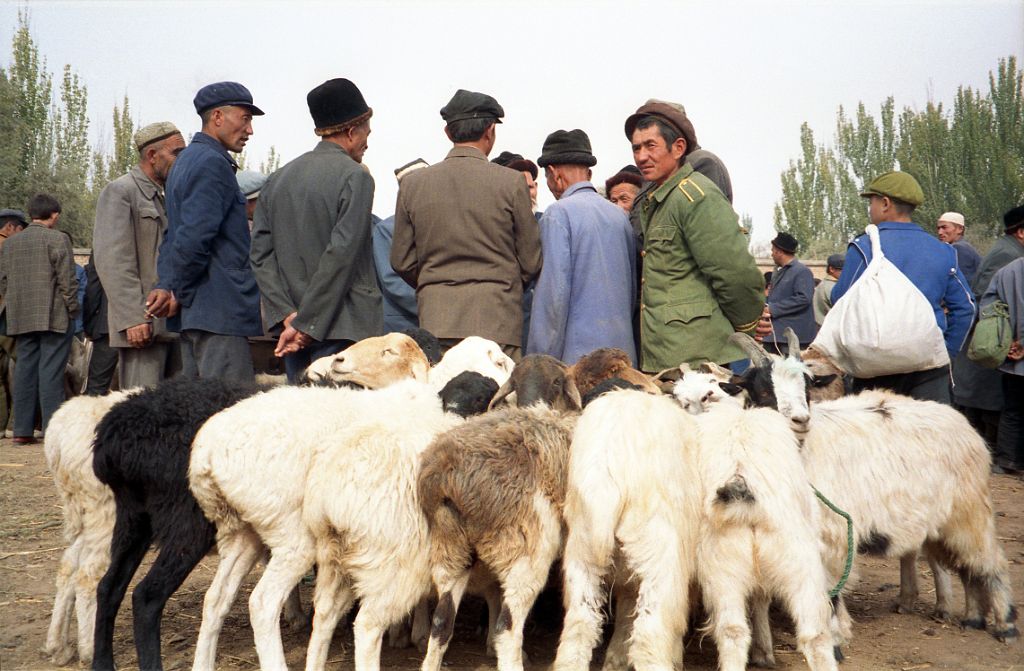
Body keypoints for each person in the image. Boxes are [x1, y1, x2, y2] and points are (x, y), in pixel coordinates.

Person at [391, 89, 542, 360]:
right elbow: (531, 260)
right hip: (498, 320)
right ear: (490, 131)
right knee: (498, 401)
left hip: (437, 320)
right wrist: (500, 283)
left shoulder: (413, 185)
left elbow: (401, 260)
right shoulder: (511, 183)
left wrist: (435, 283)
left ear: (448, 133)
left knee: (440, 401)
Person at [251, 78, 382, 382]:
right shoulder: (356, 177)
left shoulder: (277, 180)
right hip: (345, 330)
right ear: (351, 132)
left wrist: (289, 316)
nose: (367, 142)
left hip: (292, 331)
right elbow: (341, 256)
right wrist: (307, 325)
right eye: (366, 133)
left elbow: (260, 257)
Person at [625, 101, 763, 370]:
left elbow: (734, 273)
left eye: (650, 146)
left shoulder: (695, 196)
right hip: (667, 356)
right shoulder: (658, 201)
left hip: (699, 359)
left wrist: (747, 327)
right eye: (636, 148)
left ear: (678, 148)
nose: (641, 157)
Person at [831, 171, 975, 403]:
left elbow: (840, 299)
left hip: (874, 370)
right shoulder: (943, 251)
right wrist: (947, 351)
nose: (870, 208)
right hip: (928, 368)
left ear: (885, 203)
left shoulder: (865, 247)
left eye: (872, 201)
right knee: (929, 436)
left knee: (876, 437)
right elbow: (966, 308)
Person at [155, 82, 264, 382]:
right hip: (218, 313)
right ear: (217, 117)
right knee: (228, 412)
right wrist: (177, 289)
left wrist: (168, 285)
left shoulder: (184, 163)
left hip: (198, 314)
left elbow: (172, 236)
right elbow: (193, 238)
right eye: (245, 118)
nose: (250, 130)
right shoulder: (212, 164)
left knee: (199, 414)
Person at [527, 129, 636, 364]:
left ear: (554, 175)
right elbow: (632, 292)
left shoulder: (558, 215)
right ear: (588, 172)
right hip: (624, 358)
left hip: (579, 364)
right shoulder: (620, 217)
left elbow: (552, 301)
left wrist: (540, 361)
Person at [93, 121, 186, 388]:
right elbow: (113, 261)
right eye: (176, 152)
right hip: (142, 327)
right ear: (152, 155)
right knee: (142, 412)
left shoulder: (166, 197)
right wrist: (133, 317)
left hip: (169, 325)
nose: (182, 159)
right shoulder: (121, 191)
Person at [0, 194, 79, 443]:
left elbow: (3, 282)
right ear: (54, 215)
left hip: (21, 317)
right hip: (54, 316)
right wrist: (73, 308)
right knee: (51, 373)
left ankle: (21, 431)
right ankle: (51, 430)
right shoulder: (58, 239)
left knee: (24, 371)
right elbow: (67, 280)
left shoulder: (11, 244)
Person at [953, 204, 1024, 442]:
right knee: (1000, 405)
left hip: (1005, 343)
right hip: (1001, 343)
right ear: (1021, 232)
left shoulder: (1009, 250)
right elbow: (987, 299)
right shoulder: (1010, 255)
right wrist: (1011, 340)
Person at [372, 159, 428, 333]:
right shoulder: (386, 229)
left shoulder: (441, 223)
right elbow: (393, 282)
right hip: (402, 324)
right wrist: (434, 305)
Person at [981, 257, 1024, 474]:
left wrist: (1004, 342)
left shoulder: (1007, 270)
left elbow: (987, 309)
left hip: (1011, 356)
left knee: (1012, 409)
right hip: (1017, 352)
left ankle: (1007, 460)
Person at [761, 232, 817, 354]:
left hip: (793, 337)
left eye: (773, 250)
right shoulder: (779, 271)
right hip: (775, 336)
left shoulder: (802, 271)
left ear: (779, 252)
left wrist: (773, 308)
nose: (771, 254)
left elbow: (803, 298)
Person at [0, 208, 28, 432]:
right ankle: (17, 424)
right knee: (25, 367)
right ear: (9, 228)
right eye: (20, 229)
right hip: (7, 320)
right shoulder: (8, 248)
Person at [81, 254, 118, 395]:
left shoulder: (103, 243)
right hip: (147, 319)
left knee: (96, 389)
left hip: (107, 324)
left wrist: (89, 325)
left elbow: (93, 288)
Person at [937, 211, 981, 284]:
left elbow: (962, 284)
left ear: (960, 229)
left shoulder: (958, 248)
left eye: (944, 227)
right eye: (938, 228)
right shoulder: (962, 247)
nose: (940, 232)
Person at [812, 253, 844, 326]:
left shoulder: (825, 284)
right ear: (832, 269)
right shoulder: (830, 286)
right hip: (828, 328)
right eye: (842, 270)